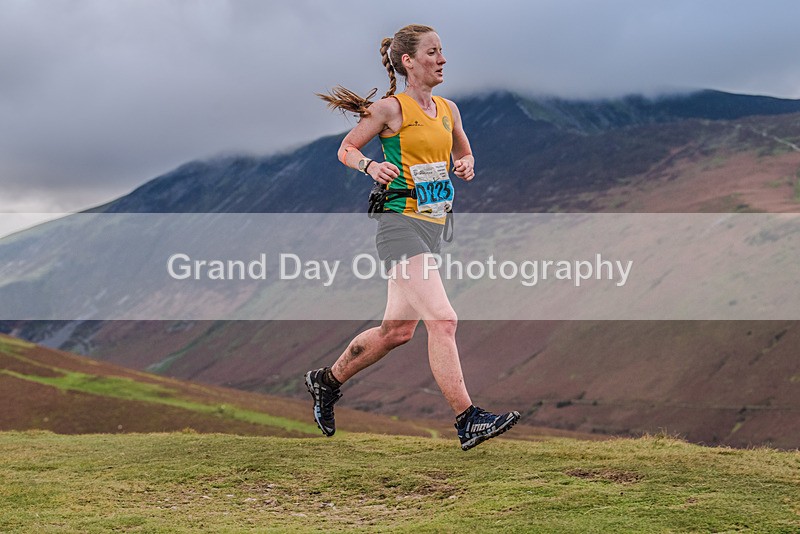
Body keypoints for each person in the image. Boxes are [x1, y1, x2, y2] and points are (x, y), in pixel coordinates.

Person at [305, 24, 519, 451]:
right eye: (433, 53)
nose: (442, 59)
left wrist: (466, 164)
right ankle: (467, 419)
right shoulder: (389, 109)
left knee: (397, 331)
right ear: (409, 61)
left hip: (433, 226)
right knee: (443, 319)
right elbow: (346, 148)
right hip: (397, 224)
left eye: (443, 52)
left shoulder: (449, 109)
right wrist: (369, 166)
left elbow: (462, 150)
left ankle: (325, 382)